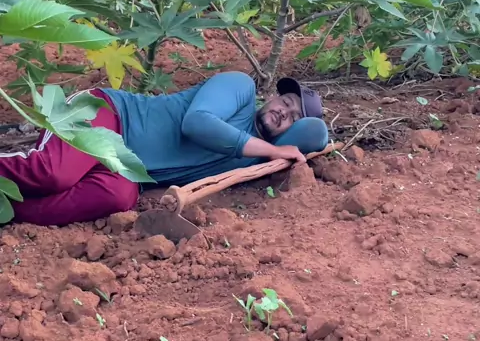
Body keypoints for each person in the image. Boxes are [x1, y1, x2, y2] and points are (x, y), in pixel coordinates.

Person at [0, 71, 328, 226]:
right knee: (54, 173)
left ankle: (10, 211)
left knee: (118, 198)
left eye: (293, 118)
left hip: (126, 169)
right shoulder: (239, 88)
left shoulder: (256, 162)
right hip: (110, 115)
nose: (284, 112)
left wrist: (283, 151)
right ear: (273, 96)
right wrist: (275, 150)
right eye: (286, 102)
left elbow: (316, 138)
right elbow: (197, 123)